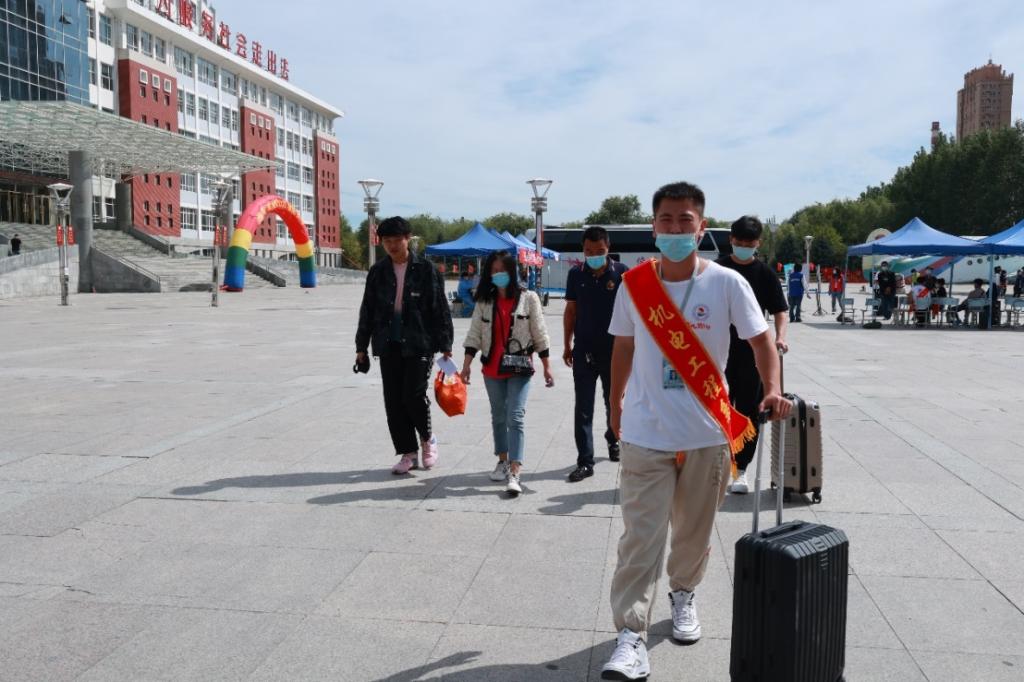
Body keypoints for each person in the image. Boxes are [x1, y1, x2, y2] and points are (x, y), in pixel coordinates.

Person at [600, 182, 790, 681]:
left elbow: (761, 342)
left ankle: (683, 593)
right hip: (645, 431)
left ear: (702, 228)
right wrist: (615, 406)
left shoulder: (727, 283)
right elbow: (622, 348)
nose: (675, 228)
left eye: (685, 220)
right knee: (640, 537)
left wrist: (772, 389)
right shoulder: (635, 284)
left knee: (692, 532)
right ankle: (630, 634)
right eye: (666, 219)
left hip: (707, 432)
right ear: (653, 228)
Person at [355, 216, 454, 475]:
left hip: (419, 342)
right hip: (388, 343)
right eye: (386, 241)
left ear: (408, 239)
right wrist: (361, 346)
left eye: (396, 240)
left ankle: (428, 439)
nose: (391, 246)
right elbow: (368, 309)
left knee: (413, 395)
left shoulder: (426, 269)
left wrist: (445, 343)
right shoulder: (378, 271)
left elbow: (440, 308)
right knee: (393, 400)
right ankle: (407, 452)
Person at [460, 251, 553, 496]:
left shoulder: (529, 298)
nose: (498, 274)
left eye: (503, 270)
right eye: (494, 271)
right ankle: (502, 460)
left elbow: (539, 332)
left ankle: (515, 470)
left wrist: (546, 366)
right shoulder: (484, 301)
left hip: (519, 367)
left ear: (512, 272)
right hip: (492, 368)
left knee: (516, 416)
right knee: (499, 416)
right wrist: (466, 365)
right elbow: (474, 334)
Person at [715, 216, 788, 495]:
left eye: (750, 243)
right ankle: (715, 462)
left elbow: (780, 310)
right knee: (716, 408)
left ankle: (741, 469)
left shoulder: (765, 274)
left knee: (748, 411)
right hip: (718, 350)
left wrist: (780, 336)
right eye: (740, 242)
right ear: (731, 240)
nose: (745, 247)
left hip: (752, 353)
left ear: (758, 243)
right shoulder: (716, 269)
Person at [563, 226, 629, 482]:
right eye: (588, 251)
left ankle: (613, 440)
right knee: (583, 407)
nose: (593, 256)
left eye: (599, 251)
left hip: (615, 353)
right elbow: (571, 311)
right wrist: (567, 344)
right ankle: (585, 461)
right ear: (583, 250)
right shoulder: (575, 274)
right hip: (584, 351)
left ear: (608, 248)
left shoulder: (622, 273)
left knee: (614, 401)